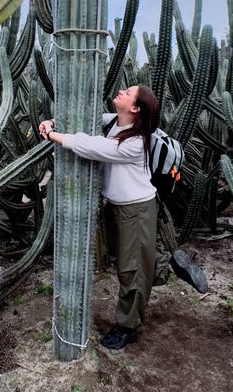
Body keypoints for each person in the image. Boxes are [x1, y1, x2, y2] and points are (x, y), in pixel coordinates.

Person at [39, 84, 162, 350]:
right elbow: (83, 121)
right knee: (132, 262)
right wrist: (53, 122)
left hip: (136, 211)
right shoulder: (114, 122)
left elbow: (92, 147)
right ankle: (165, 263)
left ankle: (127, 327)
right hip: (119, 208)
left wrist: (53, 137)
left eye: (127, 93)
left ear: (135, 108)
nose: (121, 91)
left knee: (132, 271)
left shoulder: (135, 144)